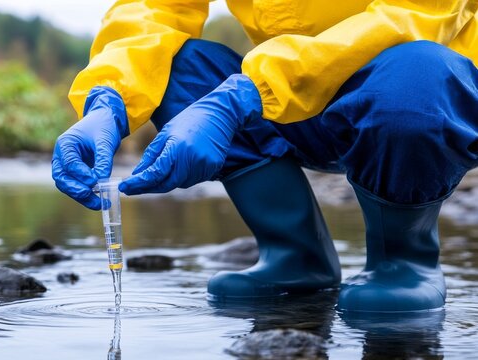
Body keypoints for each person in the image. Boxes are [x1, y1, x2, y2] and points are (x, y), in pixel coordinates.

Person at [52, 0, 478, 312]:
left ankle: (403, 261)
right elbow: (151, 10)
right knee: (177, 67)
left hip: (421, 96)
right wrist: (108, 97)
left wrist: (246, 93)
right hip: (290, 103)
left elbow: (416, 16)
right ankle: (295, 257)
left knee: (416, 72)